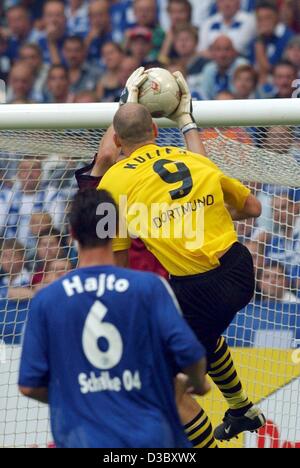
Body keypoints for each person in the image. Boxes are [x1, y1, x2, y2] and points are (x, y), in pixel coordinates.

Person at [96, 68, 266, 444]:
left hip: (199, 286)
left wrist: (126, 100)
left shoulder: (113, 181)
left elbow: (115, 259)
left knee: (163, 388)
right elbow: (252, 208)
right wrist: (187, 121)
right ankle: (240, 409)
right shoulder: (192, 160)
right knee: (204, 332)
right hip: (239, 268)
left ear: (119, 139)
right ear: (156, 131)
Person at [18, 188, 209, 449]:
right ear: (116, 229)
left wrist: (80, 396)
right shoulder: (149, 287)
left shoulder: (47, 299)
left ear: (72, 233)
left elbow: (28, 386)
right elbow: (190, 352)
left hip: (83, 438)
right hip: (152, 437)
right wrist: (198, 384)